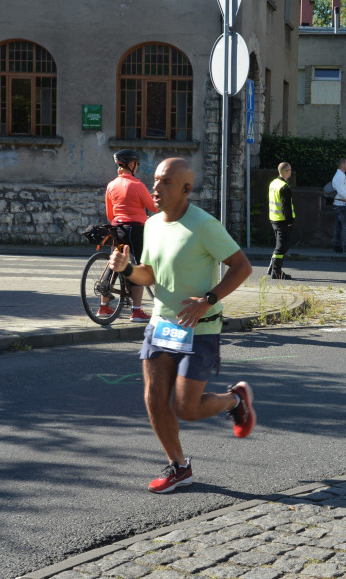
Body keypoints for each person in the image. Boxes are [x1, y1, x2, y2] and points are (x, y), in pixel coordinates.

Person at [108, 157, 255, 493]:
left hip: (199, 329)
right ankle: (179, 467)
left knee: (186, 408)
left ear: (187, 189)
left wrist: (209, 300)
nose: (156, 188)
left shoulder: (204, 225)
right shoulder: (153, 224)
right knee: (153, 398)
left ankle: (235, 400)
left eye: (167, 183)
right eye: (156, 180)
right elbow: (150, 274)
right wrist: (128, 269)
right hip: (162, 325)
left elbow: (242, 267)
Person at [102, 149, 158, 322]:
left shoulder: (111, 185)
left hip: (118, 230)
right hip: (135, 230)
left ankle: (103, 307)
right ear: (131, 165)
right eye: (136, 164)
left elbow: (110, 214)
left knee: (115, 262)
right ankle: (137, 310)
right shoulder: (137, 185)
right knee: (139, 266)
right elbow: (153, 207)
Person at [267, 162, 295, 279]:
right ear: (286, 171)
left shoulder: (273, 183)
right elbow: (286, 206)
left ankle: (271, 268)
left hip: (273, 218)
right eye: (290, 170)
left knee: (279, 245)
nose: (291, 172)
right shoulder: (284, 187)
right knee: (282, 247)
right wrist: (289, 221)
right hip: (282, 220)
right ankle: (277, 272)